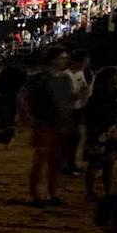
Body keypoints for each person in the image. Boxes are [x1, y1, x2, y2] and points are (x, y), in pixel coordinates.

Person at [26, 47, 74, 206]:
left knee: (57, 160)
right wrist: (31, 118)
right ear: (53, 60)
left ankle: (53, 192)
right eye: (62, 58)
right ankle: (36, 194)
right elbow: (27, 100)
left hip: (61, 123)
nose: (65, 61)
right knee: (42, 158)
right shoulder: (40, 79)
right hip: (45, 122)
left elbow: (68, 101)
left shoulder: (66, 79)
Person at [83, 67, 117, 201]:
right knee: (96, 162)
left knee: (109, 162)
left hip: (110, 130)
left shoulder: (116, 93)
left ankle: (107, 190)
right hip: (99, 130)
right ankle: (91, 191)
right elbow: (94, 114)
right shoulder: (99, 95)